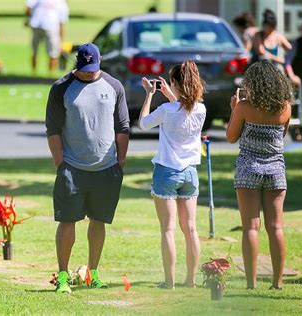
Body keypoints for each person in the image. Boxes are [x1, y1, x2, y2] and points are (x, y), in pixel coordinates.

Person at [46, 43, 130, 293]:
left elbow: (123, 126)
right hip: (72, 167)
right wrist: (60, 163)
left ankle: (93, 273)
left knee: (98, 221)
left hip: (106, 168)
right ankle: (62, 275)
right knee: (67, 221)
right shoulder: (61, 88)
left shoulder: (114, 86)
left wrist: (120, 160)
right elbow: (53, 129)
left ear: (100, 61)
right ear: (77, 63)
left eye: (92, 69)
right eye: (84, 69)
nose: (88, 73)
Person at [139, 61, 206, 289]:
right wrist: (171, 96)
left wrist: (150, 95)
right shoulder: (201, 109)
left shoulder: (167, 110)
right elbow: (183, 111)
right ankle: (191, 280)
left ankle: (169, 281)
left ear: (175, 83)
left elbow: (144, 123)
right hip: (190, 173)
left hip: (167, 172)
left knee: (168, 229)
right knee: (191, 229)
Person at [226, 61, 293, 290]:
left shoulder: (245, 106)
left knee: (251, 228)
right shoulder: (285, 107)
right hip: (275, 170)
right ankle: (278, 282)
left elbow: (231, 136)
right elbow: (280, 139)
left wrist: (234, 108)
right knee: (276, 227)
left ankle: (251, 283)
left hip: (248, 169)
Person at [25, 0, 68, 73]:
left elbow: (28, 8)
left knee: (37, 52)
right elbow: (61, 23)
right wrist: (60, 40)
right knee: (52, 53)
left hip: (41, 26)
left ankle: (41, 73)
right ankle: (45, 74)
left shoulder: (62, 3)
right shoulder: (62, 3)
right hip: (49, 27)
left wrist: (29, 19)